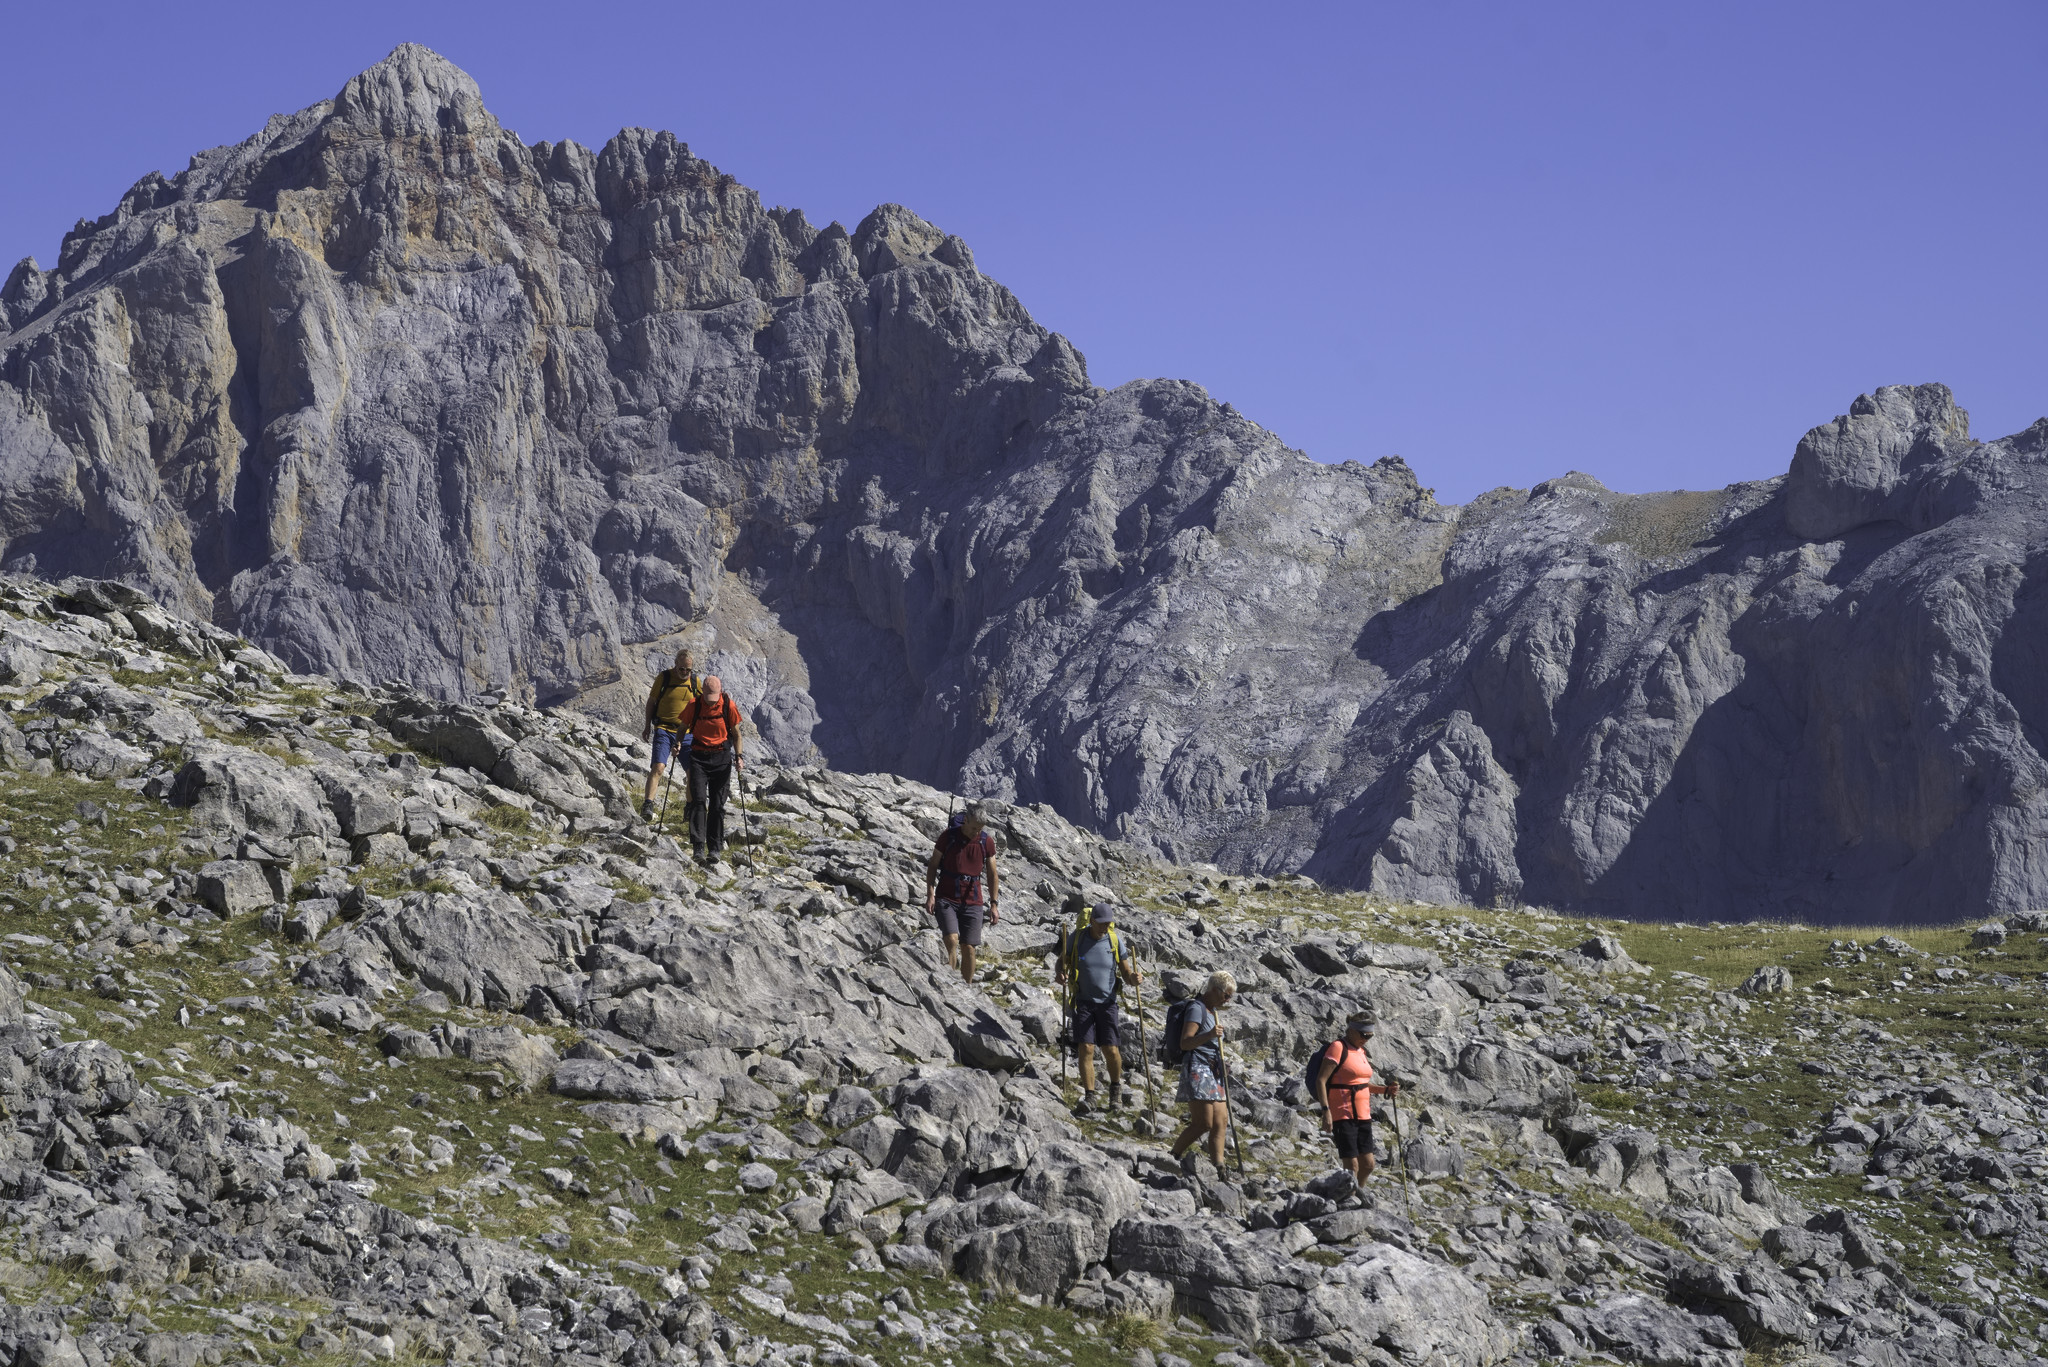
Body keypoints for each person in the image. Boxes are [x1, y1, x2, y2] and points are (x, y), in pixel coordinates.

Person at [1064, 901, 1140, 1113]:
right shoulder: (1077, 938)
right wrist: (1060, 971)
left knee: (1111, 1050)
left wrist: (1133, 979)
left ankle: (1115, 1092)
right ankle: (1090, 1097)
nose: (1104, 927)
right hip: (1084, 1001)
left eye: (1108, 923)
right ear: (1091, 921)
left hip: (1108, 1003)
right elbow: (1064, 961)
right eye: (1101, 923)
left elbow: (1126, 973)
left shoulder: (1115, 941)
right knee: (1086, 1047)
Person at [1313, 1013, 1401, 1191]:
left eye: (1370, 1036)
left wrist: (1385, 1090)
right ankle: (1349, 1198)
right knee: (1352, 1165)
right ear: (1351, 1030)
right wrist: (1326, 1111)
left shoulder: (1361, 1051)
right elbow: (1321, 1080)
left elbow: (1360, 1084)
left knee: (1368, 1164)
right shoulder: (1338, 1047)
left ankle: (1357, 1192)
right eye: (1363, 1035)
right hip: (1342, 1113)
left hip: (1363, 1115)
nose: (1366, 1039)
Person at [923, 805, 999, 982]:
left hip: (973, 900)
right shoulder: (948, 837)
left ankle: (967, 987)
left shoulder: (986, 841)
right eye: (974, 828)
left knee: (969, 947)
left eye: (980, 829)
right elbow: (933, 865)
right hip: (947, 897)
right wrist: (930, 894)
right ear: (965, 820)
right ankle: (950, 985)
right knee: (952, 939)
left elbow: (992, 874)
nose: (976, 832)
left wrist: (994, 904)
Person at [1169, 971, 1237, 1169]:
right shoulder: (1197, 1009)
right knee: (1203, 1123)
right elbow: (1185, 1043)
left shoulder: (1212, 1011)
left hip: (1214, 1070)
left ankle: (1219, 1167)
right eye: (1226, 995)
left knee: (1220, 1122)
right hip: (1198, 1068)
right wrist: (1209, 1035)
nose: (1228, 1000)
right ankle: (1173, 1155)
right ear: (1214, 990)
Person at [673, 676, 742, 862]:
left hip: (722, 759)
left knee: (718, 805)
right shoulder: (694, 705)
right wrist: (678, 743)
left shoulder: (728, 706)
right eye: (708, 697)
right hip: (699, 758)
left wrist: (739, 757)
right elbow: (682, 727)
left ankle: (715, 848)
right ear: (702, 691)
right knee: (698, 801)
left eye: (714, 697)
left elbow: (736, 735)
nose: (711, 702)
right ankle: (698, 848)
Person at [638, 649, 701, 821]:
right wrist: (647, 726)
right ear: (676, 665)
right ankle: (648, 805)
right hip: (664, 729)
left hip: (687, 733)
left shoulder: (695, 682)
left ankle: (689, 809)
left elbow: (703, 705)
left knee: (692, 772)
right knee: (658, 767)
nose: (685, 673)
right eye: (682, 669)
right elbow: (651, 702)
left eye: (688, 670)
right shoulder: (664, 678)